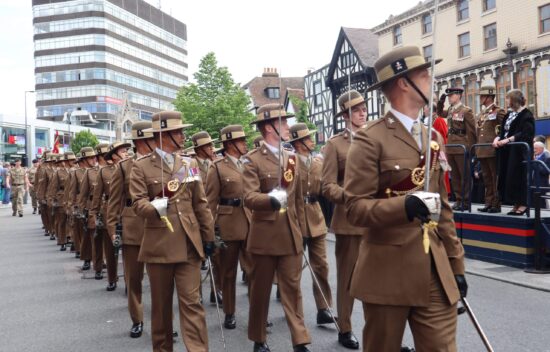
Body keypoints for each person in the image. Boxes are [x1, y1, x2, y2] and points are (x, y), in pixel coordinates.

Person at [344, 46, 467, 352]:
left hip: (434, 270)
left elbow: (444, 209)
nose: (431, 80)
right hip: (387, 271)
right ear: (403, 83)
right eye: (424, 75)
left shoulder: (432, 138)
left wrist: (457, 264)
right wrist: (405, 205)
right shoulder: (369, 139)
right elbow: (355, 209)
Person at [130, 111, 215, 352]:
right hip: (159, 245)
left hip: (189, 243)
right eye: (177, 132)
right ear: (162, 136)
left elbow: (201, 203)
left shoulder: (189, 164)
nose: (182, 135)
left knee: (192, 303)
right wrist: (157, 206)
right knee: (161, 307)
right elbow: (138, 204)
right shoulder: (141, 167)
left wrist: (208, 237)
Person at [243, 103, 311, 352]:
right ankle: (259, 338)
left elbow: (298, 200)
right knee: (260, 291)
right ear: (268, 127)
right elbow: (248, 197)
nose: (287, 127)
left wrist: (302, 231)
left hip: (290, 233)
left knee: (292, 289)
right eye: (282, 123)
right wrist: (269, 199)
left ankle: (300, 340)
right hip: (265, 236)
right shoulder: (252, 160)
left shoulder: (291, 158)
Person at [321, 89, 367, 350]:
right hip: (349, 220)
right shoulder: (335, 144)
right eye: (357, 109)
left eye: (364, 108)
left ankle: (382, 333)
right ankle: (345, 328)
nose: (363, 112)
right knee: (348, 279)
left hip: (377, 219)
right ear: (346, 115)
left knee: (378, 279)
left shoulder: (374, 138)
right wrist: (348, 196)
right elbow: (326, 185)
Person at [107, 121, 156, 338]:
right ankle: (137, 319)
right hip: (132, 227)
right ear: (141, 141)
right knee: (133, 278)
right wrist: (113, 231)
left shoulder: (162, 163)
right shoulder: (123, 167)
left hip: (159, 226)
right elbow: (114, 202)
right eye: (152, 138)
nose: (157, 141)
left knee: (160, 280)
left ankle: (163, 321)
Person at [288, 123, 335, 326]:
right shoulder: (289, 164)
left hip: (316, 218)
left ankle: (324, 308)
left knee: (321, 266)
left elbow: (326, 190)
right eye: (308, 139)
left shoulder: (318, 163)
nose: (312, 141)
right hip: (296, 219)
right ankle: (294, 311)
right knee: (293, 270)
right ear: (298, 143)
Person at [205, 124, 251, 330]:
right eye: (241, 141)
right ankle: (230, 312)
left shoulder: (249, 164)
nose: (245, 143)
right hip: (228, 224)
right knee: (229, 273)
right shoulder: (217, 167)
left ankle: (257, 312)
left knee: (255, 272)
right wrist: (212, 230)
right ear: (230, 144)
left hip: (251, 222)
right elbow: (210, 201)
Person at [92, 141, 130, 291]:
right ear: (113, 155)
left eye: (126, 150)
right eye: (122, 151)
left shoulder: (133, 166)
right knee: (110, 247)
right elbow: (97, 195)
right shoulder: (104, 172)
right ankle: (112, 278)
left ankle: (129, 280)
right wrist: (94, 213)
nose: (126, 153)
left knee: (129, 248)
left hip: (128, 210)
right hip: (110, 210)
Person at [191, 131, 223, 304]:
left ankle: (216, 289)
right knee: (196, 258)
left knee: (216, 257)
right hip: (196, 216)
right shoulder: (191, 165)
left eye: (211, 145)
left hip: (212, 215)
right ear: (199, 148)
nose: (212, 148)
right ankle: (198, 294)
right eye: (208, 145)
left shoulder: (215, 164)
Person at [494, 89, 535, 215]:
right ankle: (515, 203)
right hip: (507, 151)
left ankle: (523, 204)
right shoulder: (509, 114)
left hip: (519, 152)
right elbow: (503, 130)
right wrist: (497, 139)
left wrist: (508, 140)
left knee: (519, 177)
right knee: (509, 177)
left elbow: (525, 133)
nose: (506, 100)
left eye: (508, 98)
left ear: (514, 100)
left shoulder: (527, 115)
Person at [475, 86, 507, 213]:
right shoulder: (482, 113)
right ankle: (488, 202)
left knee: (495, 178)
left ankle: (496, 204)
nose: (481, 99)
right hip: (482, 149)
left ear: (489, 97)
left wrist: (499, 140)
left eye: (483, 96)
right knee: (486, 178)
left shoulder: (499, 111)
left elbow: (503, 129)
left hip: (492, 149)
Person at [79, 143, 109, 279]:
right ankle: (98, 266)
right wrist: (83, 211)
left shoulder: (114, 170)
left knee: (109, 238)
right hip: (94, 207)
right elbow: (83, 194)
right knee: (96, 238)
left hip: (109, 208)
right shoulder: (89, 173)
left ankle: (109, 263)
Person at [443, 87, 476, 210]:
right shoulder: (451, 110)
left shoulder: (466, 110)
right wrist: (440, 101)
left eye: (451, 95)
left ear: (458, 95)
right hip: (451, 146)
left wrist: (472, 149)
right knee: (455, 176)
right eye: (448, 96)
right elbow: (440, 112)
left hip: (462, 146)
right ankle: (458, 199)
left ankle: (466, 201)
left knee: (465, 175)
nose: (449, 98)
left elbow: (472, 131)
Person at [75, 147, 98, 271]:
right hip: (89, 205)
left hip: (101, 205)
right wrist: (81, 210)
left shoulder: (99, 170)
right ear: (84, 159)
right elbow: (81, 194)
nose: (93, 160)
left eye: (94, 157)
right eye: (90, 158)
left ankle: (99, 259)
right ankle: (87, 259)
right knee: (89, 235)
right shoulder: (84, 173)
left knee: (99, 235)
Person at [532, 141, 550, 209]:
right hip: (533, 184)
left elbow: (545, 171)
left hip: (541, 185)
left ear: (541, 148)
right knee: (533, 203)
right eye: (533, 148)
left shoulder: (547, 157)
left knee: (541, 204)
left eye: (535, 148)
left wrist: (534, 162)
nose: (534, 150)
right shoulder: (535, 156)